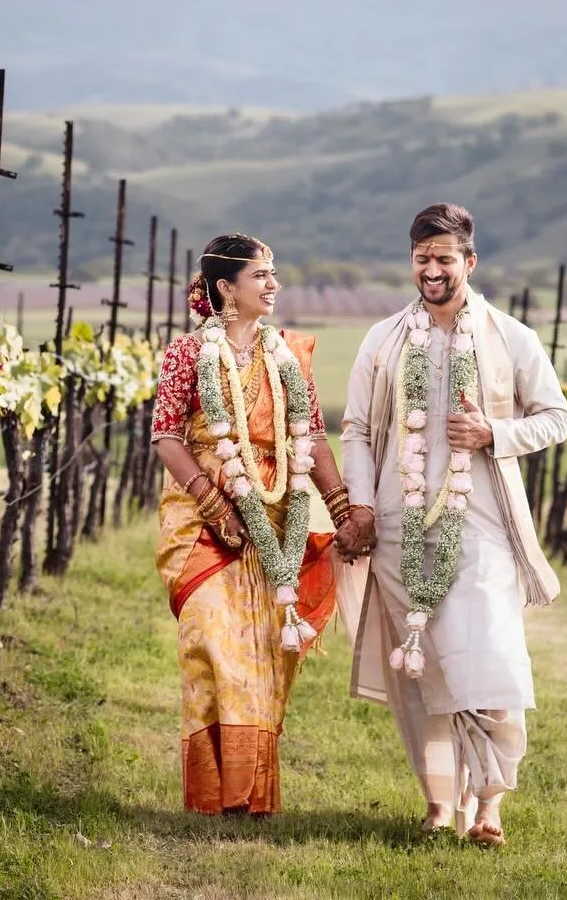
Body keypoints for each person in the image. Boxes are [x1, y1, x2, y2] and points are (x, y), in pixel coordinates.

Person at [334, 202, 567, 844]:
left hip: (481, 526)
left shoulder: (510, 336)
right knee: (422, 672)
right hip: (398, 526)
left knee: (490, 656)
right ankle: (440, 802)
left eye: (444, 258)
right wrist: (361, 506)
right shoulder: (383, 339)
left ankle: (489, 803)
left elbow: (557, 417)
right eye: (422, 258)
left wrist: (494, 432)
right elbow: (356, 429)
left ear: (470, 261)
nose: (432, 270)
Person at [151, 232, 348, 814]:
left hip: (274, 515)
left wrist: (340, 506)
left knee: (263, 652)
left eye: (272, 273)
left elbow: (312, 436)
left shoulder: (289, 355)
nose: (273, 284)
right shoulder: (188, 353)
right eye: (260, 274)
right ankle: (214, 792)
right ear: (226, 287)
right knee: (212, 641)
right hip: (201, 521)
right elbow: (166, 437)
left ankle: (249, 794)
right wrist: (214, 502)